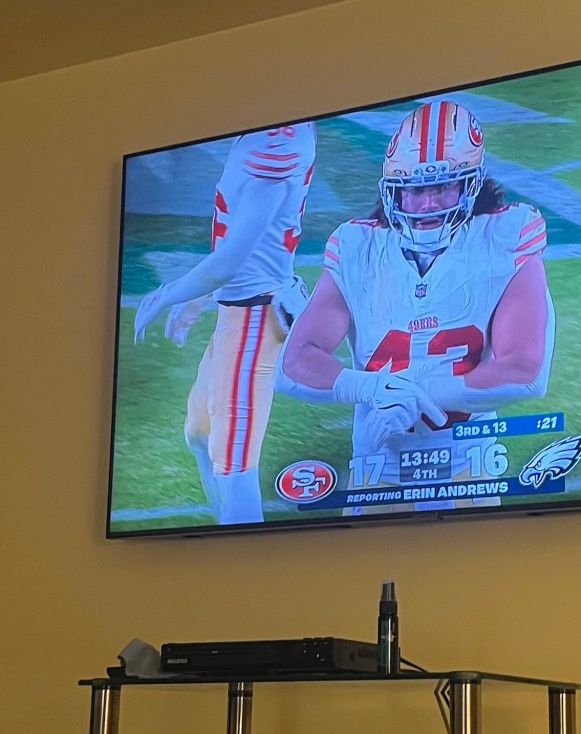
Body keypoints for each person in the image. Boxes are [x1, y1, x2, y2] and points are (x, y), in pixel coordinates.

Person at [275, 100, 554, 510]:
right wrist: (371, 388)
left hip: (468, 467)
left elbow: (525, 371)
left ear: (471, 184)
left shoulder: (504, 237)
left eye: (442, 187)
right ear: (394, 190)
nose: (427, 204)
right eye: (415, 189)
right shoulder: (358, 247)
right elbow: (294, 364)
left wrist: (413, 396)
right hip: (378, 466)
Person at [133, 122, 316, 524]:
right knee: (198, 432)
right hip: (239, 314)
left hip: (253, 321)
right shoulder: (264, 133)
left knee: (234, 468)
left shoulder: (275, 148)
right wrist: (199, 298)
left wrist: (165, 295)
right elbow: (240, 238)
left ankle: (241, 547)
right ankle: (227, 529)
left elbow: (230, 262)